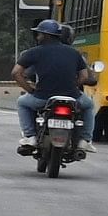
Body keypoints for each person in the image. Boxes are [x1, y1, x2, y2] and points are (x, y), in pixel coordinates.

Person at [15, 18, 89, 151]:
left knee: (22, 102)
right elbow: (84, 76)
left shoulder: (33, 52)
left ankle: (30, 136)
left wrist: (30, 90)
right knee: (89, 105)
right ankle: (84, 140)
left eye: (39, 34)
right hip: (72, 97)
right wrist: (72, 86)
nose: (37, 37)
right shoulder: (74, 52)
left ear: (45, 35)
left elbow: (16, 73)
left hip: (43, 98)